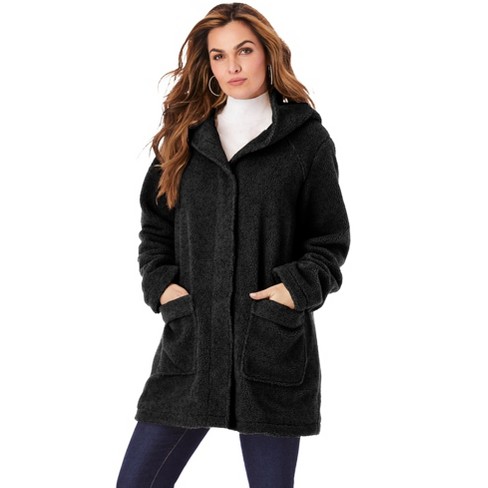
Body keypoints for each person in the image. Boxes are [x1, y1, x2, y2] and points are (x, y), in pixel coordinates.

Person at [116, 3, 351, 487]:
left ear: (268, 52)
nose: (233, 67)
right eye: (219, 56)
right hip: (192, 346)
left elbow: (329, 240)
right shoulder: (185, 137)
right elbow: (155, 229)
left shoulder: (306, 140)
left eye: (244, 51)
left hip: (268, 346)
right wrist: (163, 287)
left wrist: (294, 289)